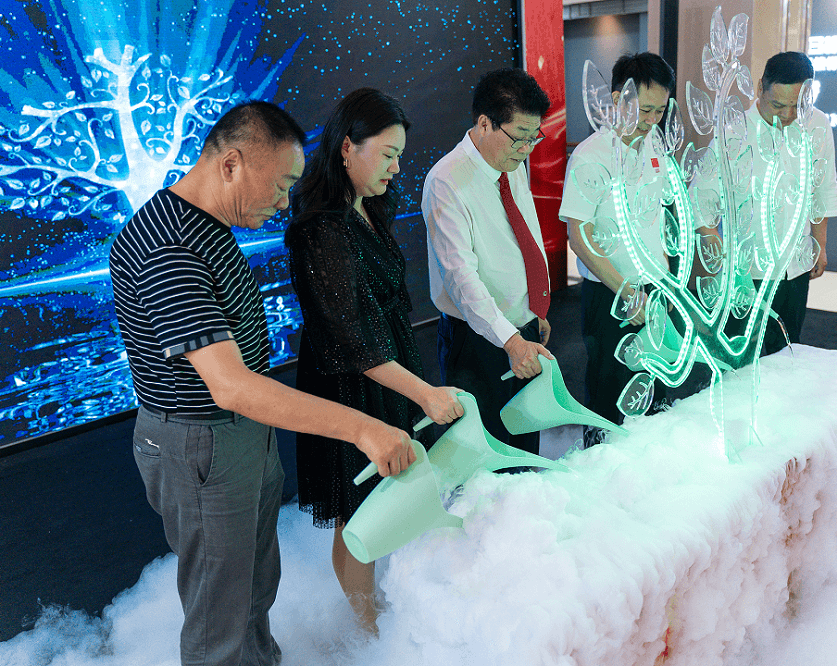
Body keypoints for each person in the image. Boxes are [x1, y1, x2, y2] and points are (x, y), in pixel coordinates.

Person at [109, 101, 416, 666]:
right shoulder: (168, 246)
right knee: (218, 619)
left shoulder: (208, 223)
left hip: (241, 434)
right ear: (231, 164)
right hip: (203, 441)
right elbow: (229, 386)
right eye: (279, 186)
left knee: (253, 587)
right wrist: (362, 429)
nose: (283, 203)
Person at [284, 88, 463, 634]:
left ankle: (373, 610)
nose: (396, 168)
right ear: (347, 147)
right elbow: (351, 341)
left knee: (380, 505)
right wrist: (425, 394)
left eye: (399, 156)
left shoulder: (366, 208)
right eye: (387, 154)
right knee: (359, 514)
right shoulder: (322, 228)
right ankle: (366, 630)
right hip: (349, 386)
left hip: (386, 372)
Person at [423, 68, 554, 455]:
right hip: (477, 340)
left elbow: (525, 237)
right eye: (520, 136)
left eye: (534, 137)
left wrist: (534, 309)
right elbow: (461, 280)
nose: (527, 148)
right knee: (486, 457)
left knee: (526, 447)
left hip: (523, 329)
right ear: (484, 123)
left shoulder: (512, 164)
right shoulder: (447, 181)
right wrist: (511, 341)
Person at [559, 52, 676, 448]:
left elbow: (658, 217)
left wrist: (666, 282)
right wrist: (626, 290)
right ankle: (599, 468)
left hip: (655, 287)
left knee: (656, 386)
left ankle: (652, 468)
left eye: (660, 111)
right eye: (645, 110)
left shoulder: (655, 144)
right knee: (609, 389)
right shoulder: (591, 155)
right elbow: (579, 236)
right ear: (617, 99)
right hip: (610, 294)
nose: (652, 120)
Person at [750, 52, 837, 355]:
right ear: (760, 88)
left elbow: (823, 187)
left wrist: (820, 245)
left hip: (797, 262)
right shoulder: (736, 130)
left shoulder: (817, 123)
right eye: (778, 105)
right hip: (750, 267)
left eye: (797, 105)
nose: (788, 114)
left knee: (790, 349)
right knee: (748, 355)